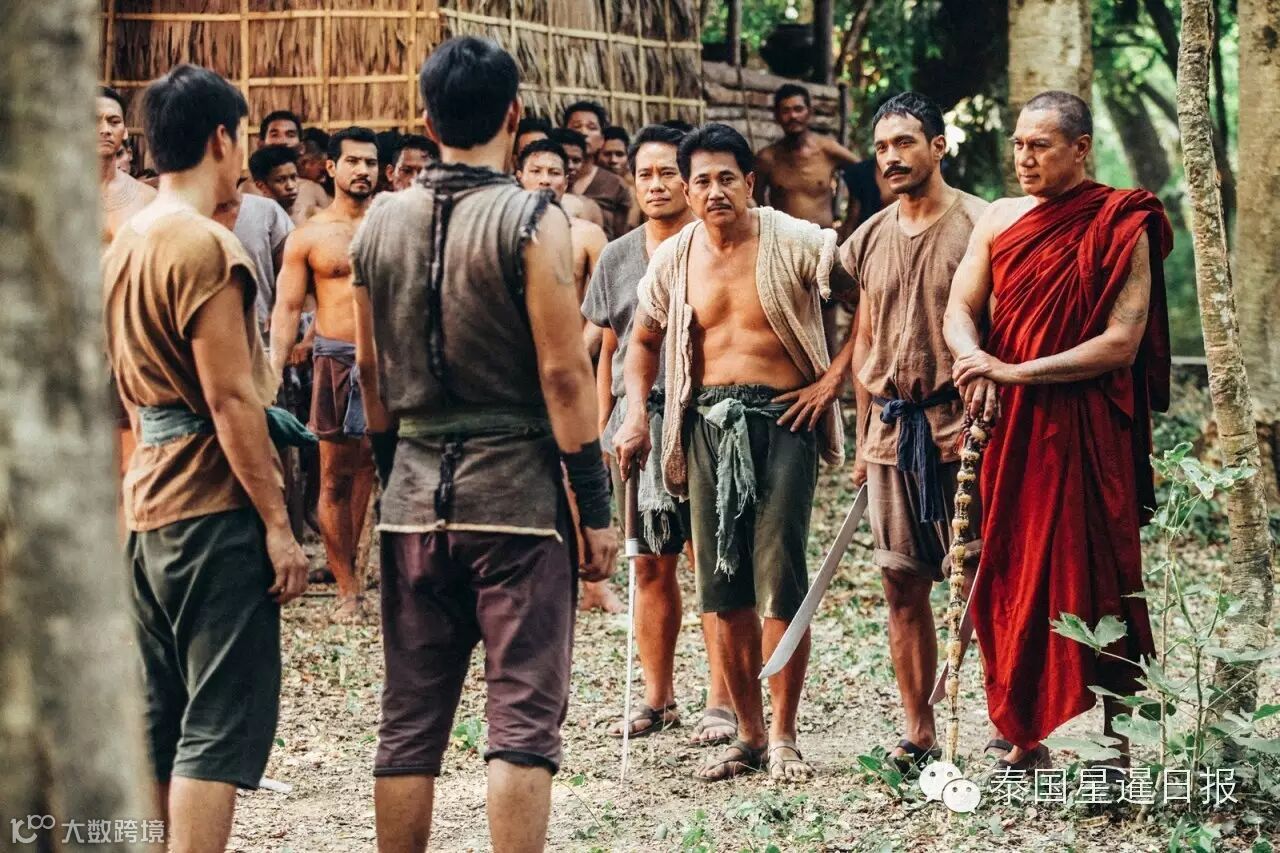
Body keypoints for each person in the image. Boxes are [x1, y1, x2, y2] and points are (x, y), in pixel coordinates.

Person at [350, 36, 615, 853]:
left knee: (408, 721)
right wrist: (594, 506)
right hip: (516, 505)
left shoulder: (377, 221)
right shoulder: (535, 219)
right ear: (514, 114)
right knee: (522, 720)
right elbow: (565, 374)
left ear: (427, 121)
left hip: (411, 503)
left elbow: (369, 372)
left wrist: (396, 478)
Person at [103, 64, 309, 852]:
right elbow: (228, 400)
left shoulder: (127, 239)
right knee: (214, 725)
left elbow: (129, 391)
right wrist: (278, 525)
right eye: (243, 137)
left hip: (148, 500)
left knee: (161, 716)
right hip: (210, 507)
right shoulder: (205, 246)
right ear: (222, 138)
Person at [615, 123, 856, 782]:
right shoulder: (675, 258)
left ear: (750, 182)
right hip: (704, 425)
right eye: (702, 180)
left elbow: (867, 299)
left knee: (780, 580)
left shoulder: (796, 239)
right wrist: (635, 414)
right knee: (722, 589)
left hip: (783, 422)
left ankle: (784, 735)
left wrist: (832, 383)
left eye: (727, 177)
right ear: (687, 190)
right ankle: (748, 734)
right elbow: (643, 340)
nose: (715, 190)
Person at [943, 91, 1172, 771]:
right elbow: (960, 307)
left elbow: (1121, 343)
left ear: (1081, 149)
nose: (1024, 158)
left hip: (1088, 428)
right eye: (1018, 144)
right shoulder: (999, 217)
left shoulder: (1120, 221)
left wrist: (1011, 371)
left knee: (1103, 574)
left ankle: (1118, 746)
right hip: (1011, 431)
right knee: (1009, 566)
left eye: (1040, 145)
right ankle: (1023, 734)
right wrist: (973, 360)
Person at [836, 92, 988, 770]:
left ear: (938, 146)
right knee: (901, 583)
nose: (891, 157)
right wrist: (863, 442)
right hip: (893, 432)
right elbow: (866, 337)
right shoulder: (868, 237)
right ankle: (918, 729)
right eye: (881, 147)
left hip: (964, 424)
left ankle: (1010, 727)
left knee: (980, 579)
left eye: (904, 142)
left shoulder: (982, 223)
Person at [583, 123, 735, 744]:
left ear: (689, 180)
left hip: (704, 419)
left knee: (711, 562)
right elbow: (610, 348)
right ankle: (657, 697)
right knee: (649, 563)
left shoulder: (716, 246)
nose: (656, 185)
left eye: (668, 172)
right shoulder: (617, 256)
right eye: (644, 174)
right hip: (637, 424)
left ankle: (723, 700)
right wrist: (605, 425)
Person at [270, 126, 380, 622]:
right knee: (335, 474)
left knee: (378, 469)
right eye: (353, 161)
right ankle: (347, 590)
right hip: (336, 359)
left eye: (370, 162)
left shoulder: (392, 225)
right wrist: (272, 370)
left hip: (392, 362)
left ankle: (365, 571)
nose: (363, 171)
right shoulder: (309, 235)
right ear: (331, 167)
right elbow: (287, 309)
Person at [514, 138, 618, 612]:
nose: (545, 180)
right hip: (519, 372)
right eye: (536, 171)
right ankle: (533, 576)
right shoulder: (505, 233)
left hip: (576, 366)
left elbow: (607, 303)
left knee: (582, 466)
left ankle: (595, 583)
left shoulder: (586, 235)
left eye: (554, 172)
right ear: (519, 176)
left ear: (568, 178)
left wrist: (577, 350)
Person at [753, 84, 861, 353]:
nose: (793, 116)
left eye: (798, 109)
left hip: (823, 248)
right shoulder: (767, 159)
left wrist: (849, 226)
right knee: (788, 322)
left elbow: (865, 178)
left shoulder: (827, 150)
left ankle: (832, 374)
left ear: (809, 112)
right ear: (776, 116)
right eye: (785, 111)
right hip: (784, 251)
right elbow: (752, 203)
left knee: (826, 322)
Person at [563, 100, 632, 238]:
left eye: (592, 127)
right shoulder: (550, 178)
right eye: (577, 126)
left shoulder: (615, 185)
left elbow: (622, 237)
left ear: (601, 140)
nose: (583, 132)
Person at [99, 86, 157, 244]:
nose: (105, 130)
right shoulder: (58, 197)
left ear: (125, 131)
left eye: (114, 122)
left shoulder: (148, 198)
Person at [246, 110, 332, 214]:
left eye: (290, 135)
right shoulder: (248, 189)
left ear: (301, 147)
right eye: (275, 135)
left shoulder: (313, 190)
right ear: (261, 144)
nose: (283, 141)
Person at [548, 128, 607, 229]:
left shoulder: (591, 207)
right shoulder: (536, 201)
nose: (570, 166)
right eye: (565, 159)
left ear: (583, 162)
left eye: (576, 160)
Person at [249, 144, 304, 225]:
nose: (290, 186)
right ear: (261, 186)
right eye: (281, 180)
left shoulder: (310, 214)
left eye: (293, 177)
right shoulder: (254, 221)